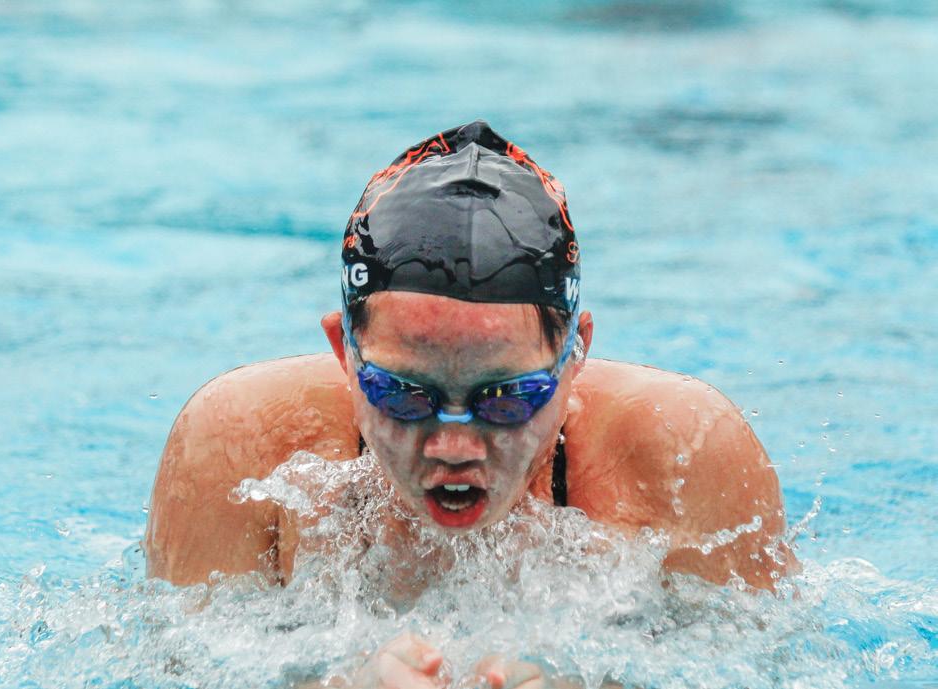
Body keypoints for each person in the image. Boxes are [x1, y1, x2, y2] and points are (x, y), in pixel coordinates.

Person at [144, 120, 796, 689]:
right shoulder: (241, 442)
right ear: (345, 353)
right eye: (403, 394)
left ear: (575, 355)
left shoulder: (682, 453)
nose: (453, 446)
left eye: (507, 398)